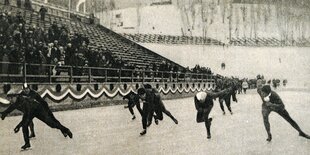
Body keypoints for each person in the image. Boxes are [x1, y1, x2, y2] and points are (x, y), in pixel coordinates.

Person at [1, 86, 73, 150]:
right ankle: (27, 144)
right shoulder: (16, 101)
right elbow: (11, 108)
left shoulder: (24, 101)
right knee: (25, 126)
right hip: (30, 111)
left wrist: (18, 126)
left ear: (15, 96)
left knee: (51, 124)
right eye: (9, 98)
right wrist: (4, 114)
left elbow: (26, 116)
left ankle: (65, 130)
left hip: (38, 110)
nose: (10, 100)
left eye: (11, 98)